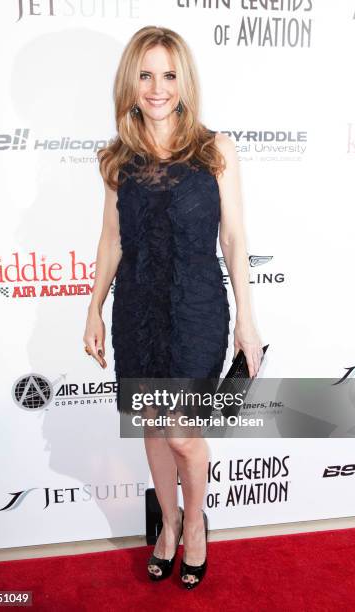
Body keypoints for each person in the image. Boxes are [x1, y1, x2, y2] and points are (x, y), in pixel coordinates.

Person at [83, 25, 263, 589]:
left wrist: (247, 321)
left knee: (183, 433)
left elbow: (234, 239)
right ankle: (168, 526)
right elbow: (111, 237)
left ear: (183, 81)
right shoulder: (116, 158)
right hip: (136, 309)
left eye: (167, 75)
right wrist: (93, 309)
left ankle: (196, 529)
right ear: (130, 83)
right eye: (145, 75)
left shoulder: (215, 149)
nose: (156, 88)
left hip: (195, 309)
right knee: (154, 429)